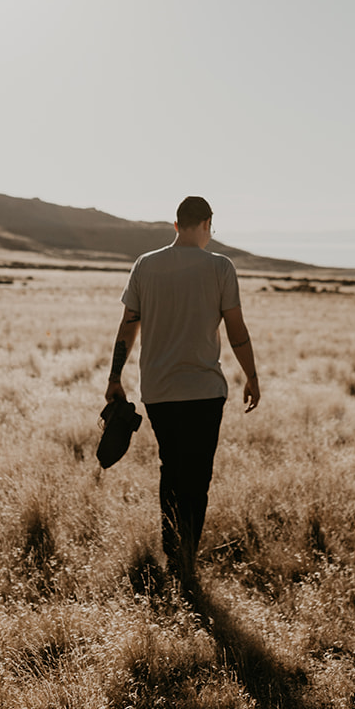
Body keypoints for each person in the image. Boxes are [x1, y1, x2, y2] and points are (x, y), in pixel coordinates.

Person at [104, 196, 261, 583]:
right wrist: (252, 375)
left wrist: (114, 377)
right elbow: (236, 331)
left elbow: (128, 327)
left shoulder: (146, 265)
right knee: (198, 476)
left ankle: (174, 556)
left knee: (171, 469)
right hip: (205, 391)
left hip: (158, 391)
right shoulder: (221, 267)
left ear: (176, 225)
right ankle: (186, 557)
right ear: (207, 223)